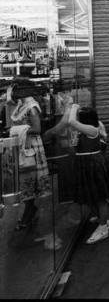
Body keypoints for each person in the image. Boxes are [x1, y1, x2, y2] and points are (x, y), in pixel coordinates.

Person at [68, 104, 109, 244]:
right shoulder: (81, 131)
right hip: (85, 164)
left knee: (99, 197)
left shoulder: (92, 129)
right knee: (89, 197)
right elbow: (73, 150)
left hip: (93, 165)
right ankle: (103, 219)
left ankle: (103, 226)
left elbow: (71, 121)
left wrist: (73, 107)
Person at [7, 80, 51, 232]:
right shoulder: (22, 104)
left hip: (30, 146)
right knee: (26, 179)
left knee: (28, 179)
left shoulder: (31, 107)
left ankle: (29, 211)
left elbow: (37, 128)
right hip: (23, 145)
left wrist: (16, 131)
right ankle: (30, 209)